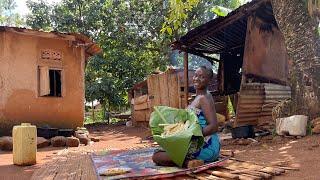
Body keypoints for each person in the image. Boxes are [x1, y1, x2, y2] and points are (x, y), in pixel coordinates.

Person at [152, 66, 220, 166]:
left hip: (206, 145)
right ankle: (189, 162)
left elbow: (213, 127)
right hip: (197, 142)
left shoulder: (204, 98)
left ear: (209, 81)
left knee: (157, 156)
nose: (196, 79)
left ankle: (188, 162)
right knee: (161, 152)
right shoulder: (198, 97)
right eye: (196, 75)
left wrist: (190, 137)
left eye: (202, 77)